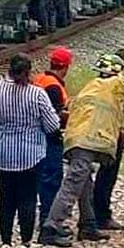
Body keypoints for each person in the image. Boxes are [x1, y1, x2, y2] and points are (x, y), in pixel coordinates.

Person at [40, 49, 124, 248]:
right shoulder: (116, 84)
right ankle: (51, 226)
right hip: (89, 141)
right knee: (73, 183)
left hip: (75, 140)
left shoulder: (90, 86)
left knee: (84, 182)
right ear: (117, 72)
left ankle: (88, 225)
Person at [0, 54, 60, 248]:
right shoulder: (37, 94)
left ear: (9, 69)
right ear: (28, 71)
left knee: (6, 199)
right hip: (31, 153)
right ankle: (25, 244)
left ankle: (5, 244)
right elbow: (53, 124)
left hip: (1, 150)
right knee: (27, 199)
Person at [89, 47, 124, 232]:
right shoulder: (112, 89)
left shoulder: (98, 86)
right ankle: (99, 216)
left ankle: (93, 215)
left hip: (103, 135)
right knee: (105, 177)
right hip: (108, 137)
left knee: (94, 177)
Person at [34, 47, 74, 227]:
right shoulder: (54, 87)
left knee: (41, 178)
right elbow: (55, 115)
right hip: (50, 138)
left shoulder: (40, 79)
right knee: (51, 179)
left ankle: (43, 216)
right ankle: (47, 219)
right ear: (65, 67)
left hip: (36, 136)